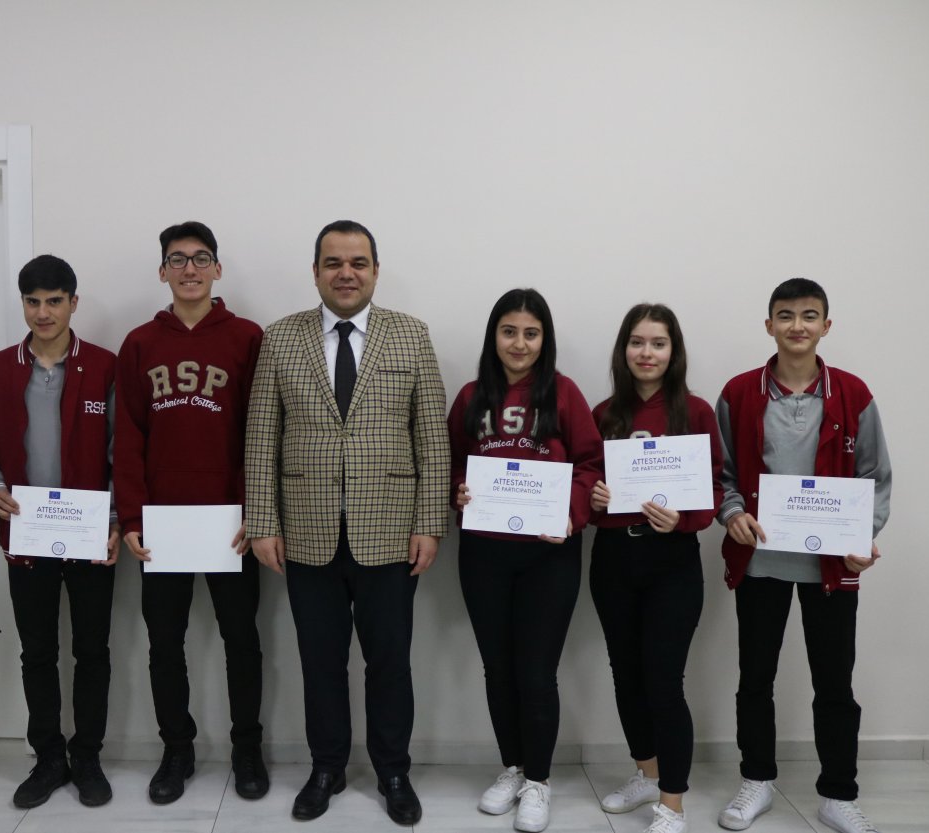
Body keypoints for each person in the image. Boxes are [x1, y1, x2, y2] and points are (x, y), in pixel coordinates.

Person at [244, 220, 449, 825]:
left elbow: (431, 437)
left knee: (390, 663)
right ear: (315, 272)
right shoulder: (281, 338)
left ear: (376, 271)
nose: (346, 273)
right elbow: (261, 436)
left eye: (358, 262)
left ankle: (393, 771)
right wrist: (263, 520)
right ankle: (326, 767)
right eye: (333, 262)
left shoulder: (410, 335)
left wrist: (429, 522)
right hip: (306, 533)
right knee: (320, 662)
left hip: (390, 532)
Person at [715, 278, 890, 833]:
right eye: (786, 315)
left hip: (830, 567)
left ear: (826, 326)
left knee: (834, 683)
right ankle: (757, 780)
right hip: (760, 561)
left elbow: (874, 476)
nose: (797, 326)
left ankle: (838, 793)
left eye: (809, 316)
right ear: (768, 325)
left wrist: (861, 537)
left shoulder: (854, 394)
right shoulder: (739, 393)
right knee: (754, 679)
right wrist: (732, 514)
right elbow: (721, 474)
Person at [115, 221, 268, 804]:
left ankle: (247, 749)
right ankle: (176, 750)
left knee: (242, 640)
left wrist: (257, 510)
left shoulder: (247, 338)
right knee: (164, 644)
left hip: (232, 524)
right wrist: (132, 517)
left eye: (201, 258)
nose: (189, 269)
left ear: (217, 269)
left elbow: (262, 431)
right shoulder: (139, 344)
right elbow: (128, 437)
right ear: (162, 272)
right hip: (164, 527)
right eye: (177, 260)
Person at [0, 255, 119, 809]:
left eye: (54, 301)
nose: (43, 312)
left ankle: (88, 756)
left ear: (74, 303)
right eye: (33, 302)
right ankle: (49, 758)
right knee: (37, 652)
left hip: (91, 537)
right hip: (26, 539)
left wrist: (115, 520)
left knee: (92, 651)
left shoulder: (105, 367)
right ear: (23, 304)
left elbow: (122, 453)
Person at [447, 288, 602, 833]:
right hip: (484, 553)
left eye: (531, 333)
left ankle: (538, 781)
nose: (519, 343)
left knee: (536, 673)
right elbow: (452, 463)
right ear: (494, 336)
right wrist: (459, 492)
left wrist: (572, 514)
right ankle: (512, 767)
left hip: (548, 554)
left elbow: (590, 464)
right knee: (498, 668)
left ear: (545, 339)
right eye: (509, 331)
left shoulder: (564, 393)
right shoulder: (471, 395)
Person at [587, 304, 723, 833]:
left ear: (673, 351)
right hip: (613, 559)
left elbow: (714, 491)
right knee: (626, 675)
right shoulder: (604, 413)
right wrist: (595, 498)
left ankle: (672, 803)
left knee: (664, 681)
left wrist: (682, 520)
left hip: (672, 562)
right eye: (637, 342)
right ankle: (646, 772)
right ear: (624, 349)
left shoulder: (696, 412)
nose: (647, 353)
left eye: (658, 343)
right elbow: (584, 484)